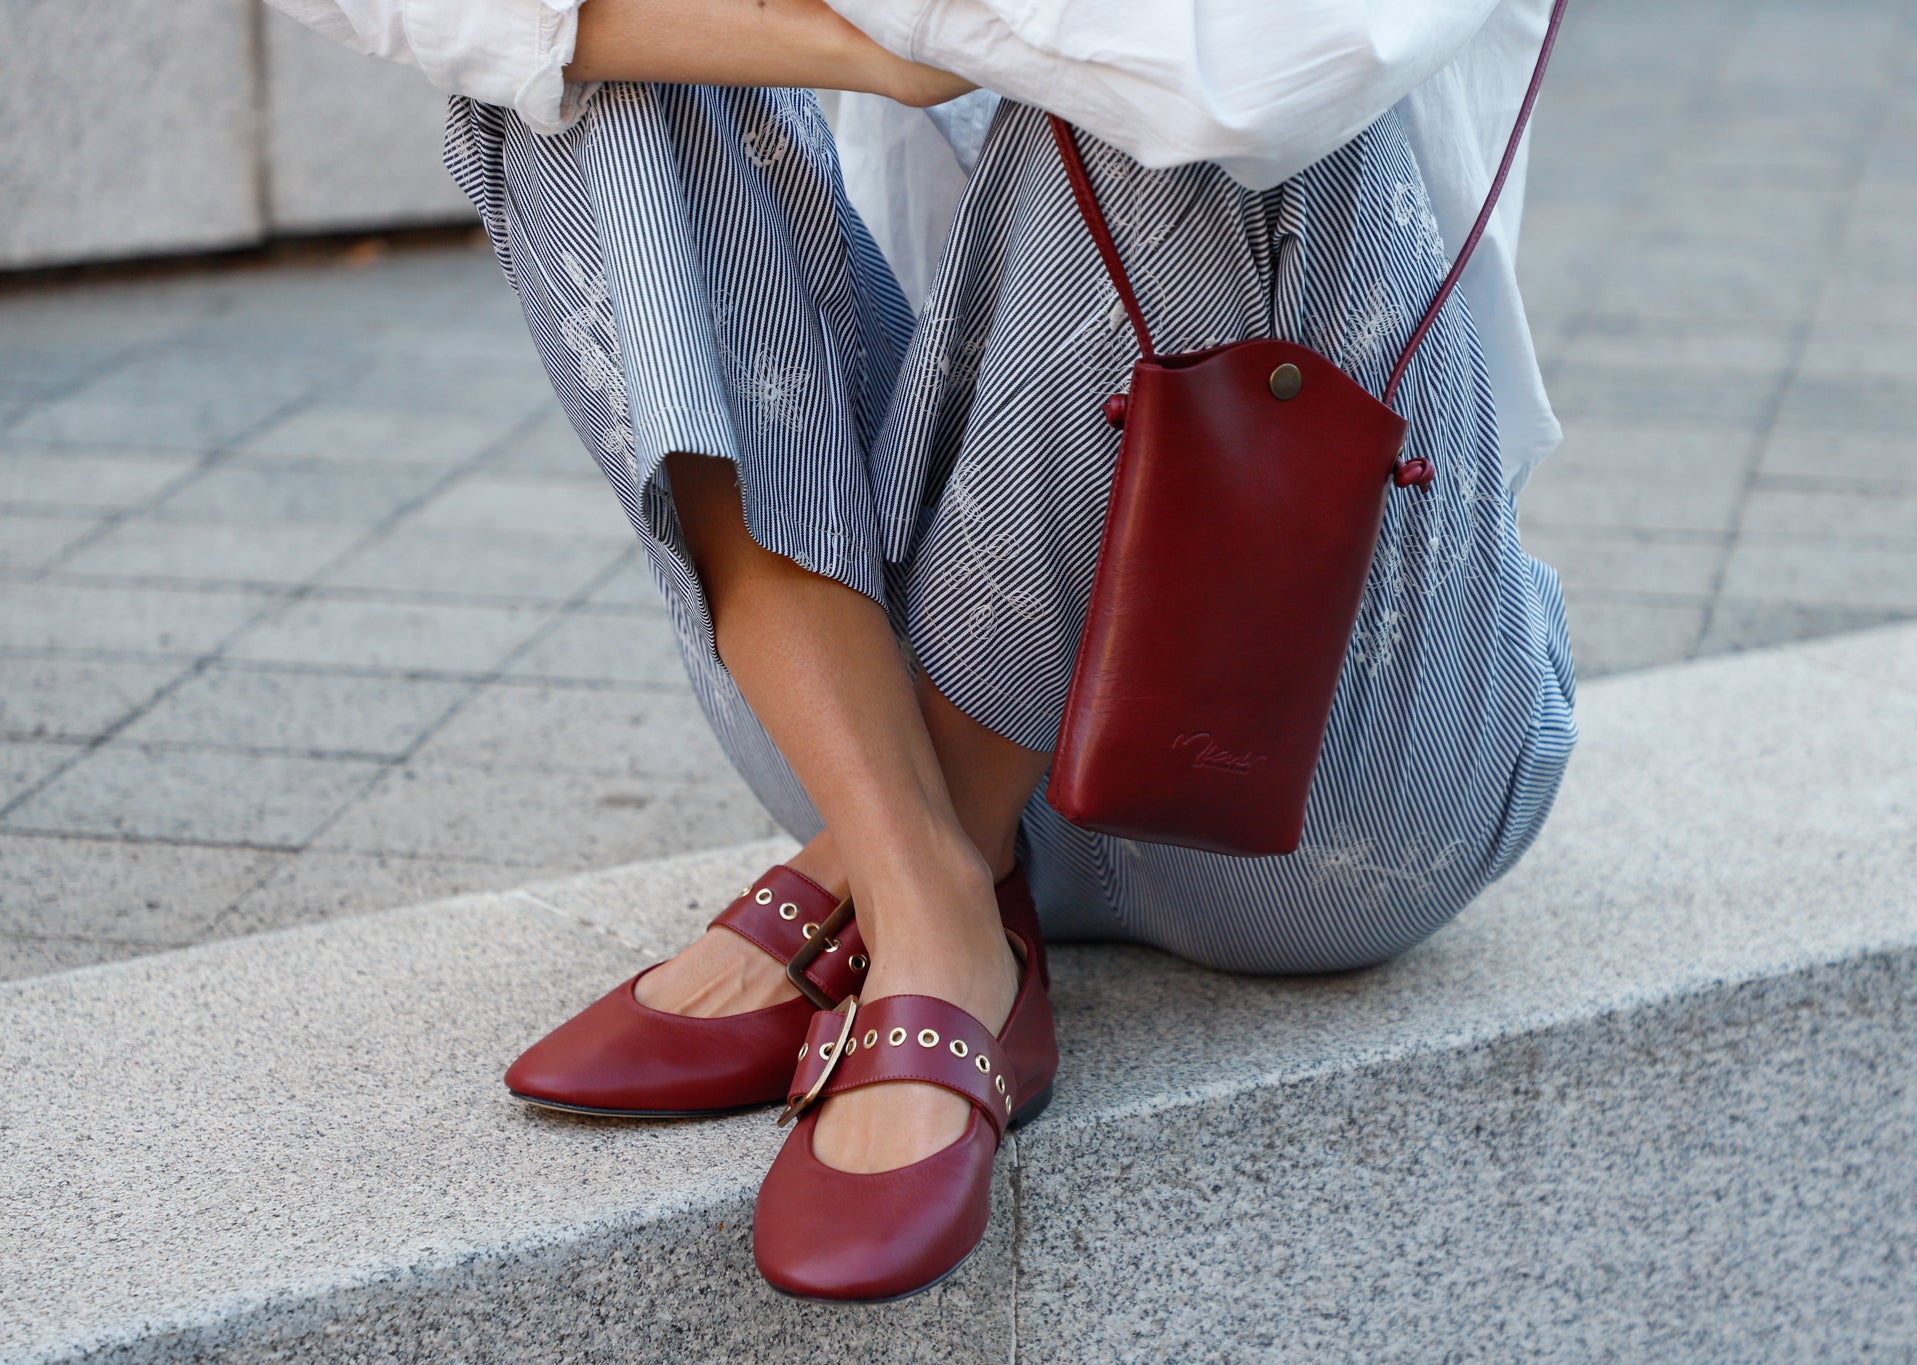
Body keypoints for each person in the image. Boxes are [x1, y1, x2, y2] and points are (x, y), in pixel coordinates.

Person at [266, 0, 1577, 1303]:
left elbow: (1253, 73)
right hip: (881, 708)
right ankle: (924, 881)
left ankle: (886, 876)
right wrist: (838, 53)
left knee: (1178, 79)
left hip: (1326, 764)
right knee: (568, 61)